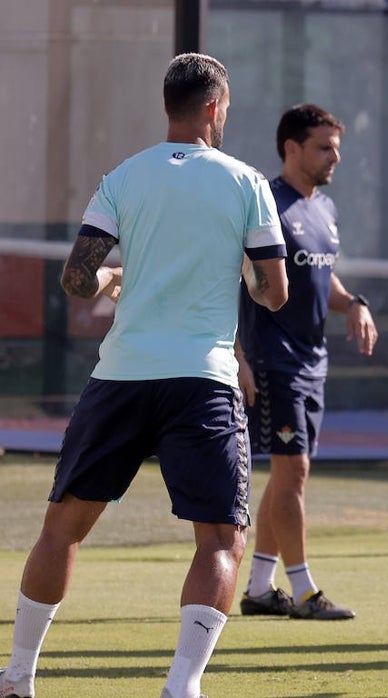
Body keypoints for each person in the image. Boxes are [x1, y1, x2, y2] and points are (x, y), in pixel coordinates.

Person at [0, 53, 289, 698]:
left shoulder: (124, 177)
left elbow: (77, 281)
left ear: (168, 106)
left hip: (122, 376)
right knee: (219, 539)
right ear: (214, 107)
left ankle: (18, 676)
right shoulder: (247, 182)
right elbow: (275, 293)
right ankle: (181, 688)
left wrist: (114, 277)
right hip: (203, 379)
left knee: (62, 529)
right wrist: (237, 269)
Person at [235, 103, 377, 622]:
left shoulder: (325, 209)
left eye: (337, 147)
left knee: (289, 477)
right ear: (291, 148)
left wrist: (355, 303)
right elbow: (232, 280)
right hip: (272, 362)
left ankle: (257, 588)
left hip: (313, 362)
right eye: (324, 147)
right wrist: (238, 356)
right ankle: (303, 590)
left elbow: (325, 282)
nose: (334, 156)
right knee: (291, 473)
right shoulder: (265, 204)